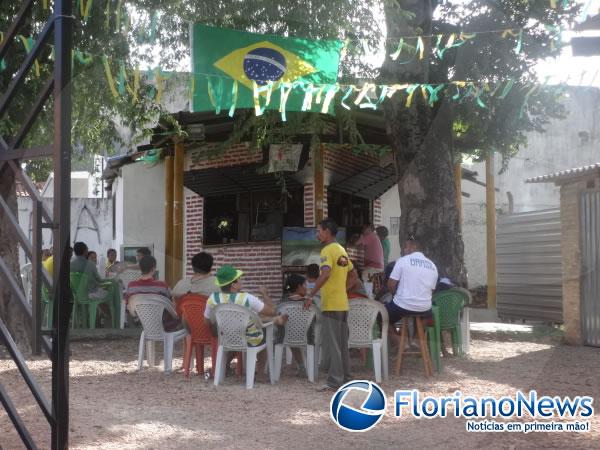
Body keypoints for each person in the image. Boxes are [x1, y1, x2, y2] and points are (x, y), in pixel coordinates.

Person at [204, 265, 287, 380]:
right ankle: (261, 375)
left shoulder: (212, 298)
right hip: (249, 339)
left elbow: (207, 320)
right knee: (264, 336)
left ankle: (225, 368)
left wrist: (215, 332)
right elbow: (273, 311)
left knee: (240, 331)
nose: (241, 280)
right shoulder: (247, 298)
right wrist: (264, 294)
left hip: (227, 338)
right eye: (239, 279)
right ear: (233, 284)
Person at [305, 218, 358, 391]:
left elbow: (326, 274)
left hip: (331, 305)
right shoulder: (341, 250)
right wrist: (342, 289)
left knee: (334, 344)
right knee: (342, 343)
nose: (317, 234)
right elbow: (353, 276)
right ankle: (347, 377)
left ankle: (335, 381)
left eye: (318, 230)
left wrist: (311, 294)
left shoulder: (327, 250)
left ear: (327, 231)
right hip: (342, 304)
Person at [386, 236, 438, 345]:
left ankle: (401, 344)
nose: (403, 250)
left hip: (402, 306)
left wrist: (396, 295)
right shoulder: (432, 265)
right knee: (424, 317)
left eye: (405, 247)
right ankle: (415, 341)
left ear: (413, 247)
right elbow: (432, 290)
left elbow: (391, 285)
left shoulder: (402, 261)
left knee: (382, 316)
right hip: (424, 308)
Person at [124, 255, 182, 331]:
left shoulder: (131, 286)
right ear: (153, 268)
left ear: (140, 268)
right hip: (161, 322)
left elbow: (128, 306)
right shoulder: (162, 286)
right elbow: (171, 303)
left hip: (141, 321)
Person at [70, 242, 121, 326]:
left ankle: (105, 318)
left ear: (74, 252)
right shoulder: (90, 265)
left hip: (76, 295)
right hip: (90, 294)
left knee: (109, 287)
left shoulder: (70, 264)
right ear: (85, 251)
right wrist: (111, 281)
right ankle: (116, 321)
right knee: (113, 289)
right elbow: (100, 281)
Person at [279, 273, 312, 375]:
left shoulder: (283, 301)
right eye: (305, 285)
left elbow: (278, 315)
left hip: (288, 335)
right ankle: (309, 365)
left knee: (290, 332)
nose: (307, 288)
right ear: (299, 287)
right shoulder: (308, 302)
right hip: (308, 335)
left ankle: (301, 365)